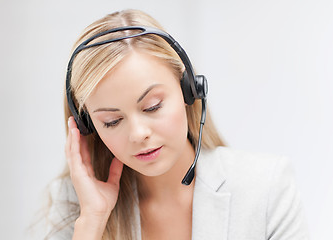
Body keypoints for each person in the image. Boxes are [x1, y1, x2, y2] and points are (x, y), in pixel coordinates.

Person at [44, 9, 308, 240]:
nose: (138, 134)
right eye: (112, 121)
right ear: (87, 126)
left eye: (152, 106)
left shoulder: (266, 189)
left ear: (189, 91)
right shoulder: (74, 204)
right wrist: (92, 221)